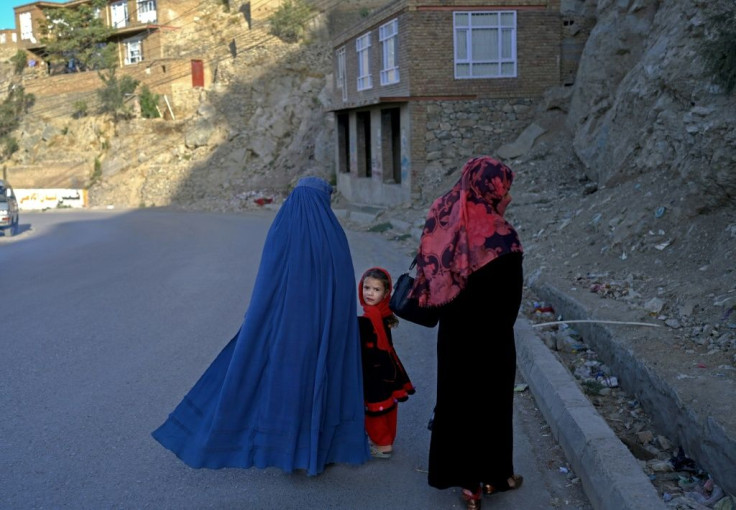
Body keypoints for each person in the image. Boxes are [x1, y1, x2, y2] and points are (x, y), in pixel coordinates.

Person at [151, 177, 370, 476]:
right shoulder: (333, 234)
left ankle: (285, 450)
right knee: (323, 381)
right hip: (327, 330)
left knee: (287, 383)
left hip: (286, 330)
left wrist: (259, 320)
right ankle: (320, 449)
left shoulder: (281, 229)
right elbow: (343, 290)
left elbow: (267, 281)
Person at [411, 156, 525, 509]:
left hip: (455, 337)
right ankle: (497, 475)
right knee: (492, 405)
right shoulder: (503, 237)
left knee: (457, 403)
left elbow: (432, 276)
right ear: (495, 188)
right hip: (493, 339)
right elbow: (510, 304)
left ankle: (469, 488)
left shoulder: (446, 222)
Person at [357, 267, 415, 459]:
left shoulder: (367, 319)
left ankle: (382, 445)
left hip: (374, 371)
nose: (369, 293)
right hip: (388, 368)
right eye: (366, 288)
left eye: (376, 289)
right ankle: (386, 440)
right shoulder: (384, 314)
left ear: (385, 293)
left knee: (375, 408)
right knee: (388, 406)